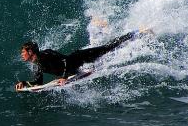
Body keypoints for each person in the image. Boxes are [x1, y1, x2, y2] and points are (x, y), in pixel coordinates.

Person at [15, 28, 150, 90]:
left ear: (30, 51)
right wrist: (24, 83)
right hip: (75, 67)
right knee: (106, 51)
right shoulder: (37, 64)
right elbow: (38, 82)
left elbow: (65, 61)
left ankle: (137, 32)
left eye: (23, 52)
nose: (22, 55)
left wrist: (64, 77)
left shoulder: (44, 56)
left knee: (109, 48)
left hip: (79, 57)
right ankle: (102, 27)